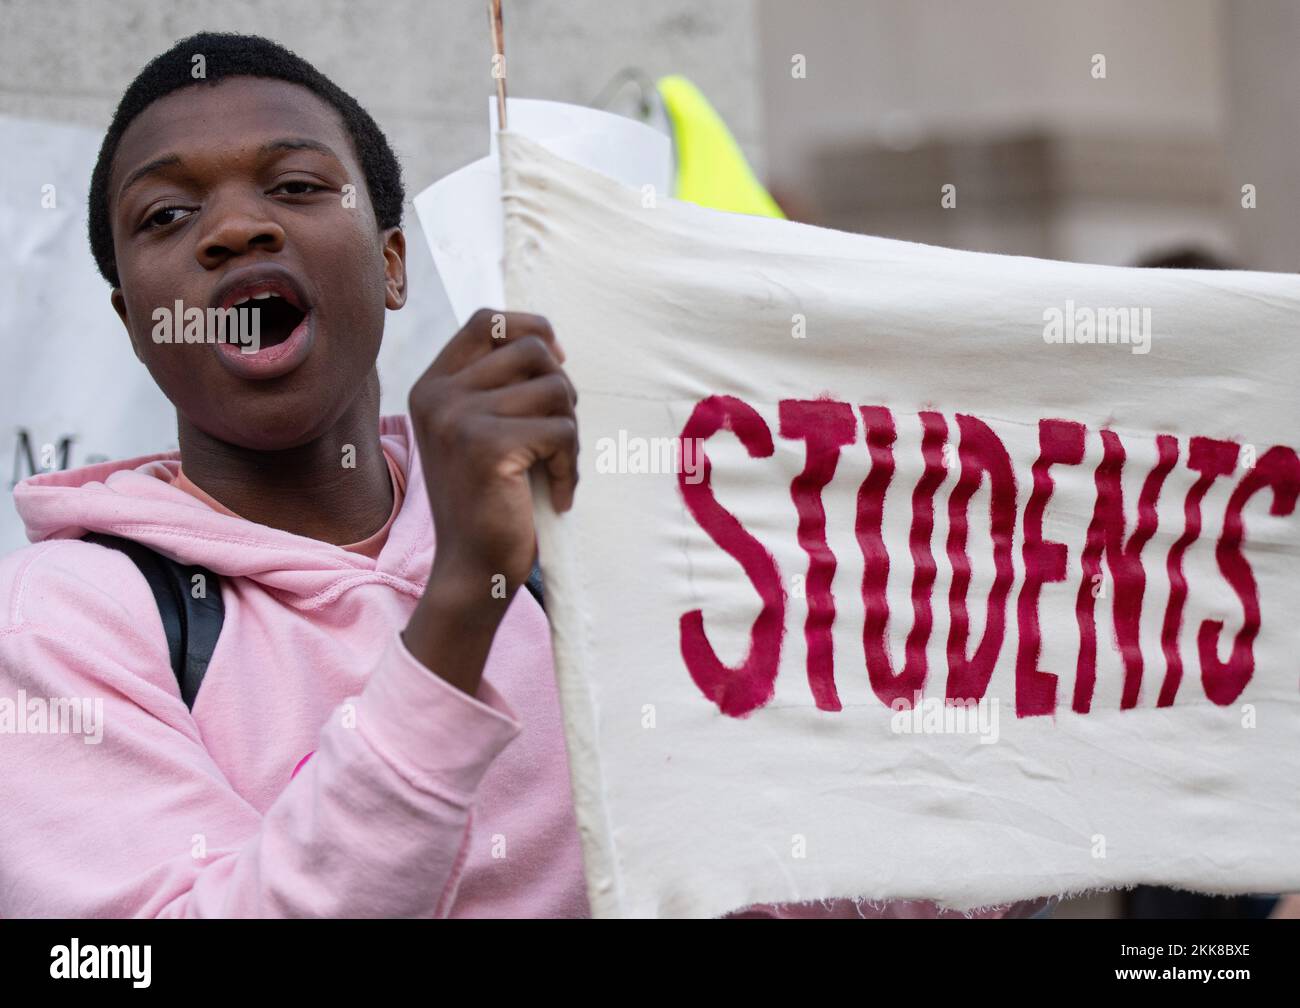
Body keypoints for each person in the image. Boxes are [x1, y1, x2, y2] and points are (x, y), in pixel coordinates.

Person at [0, 31, 1040, 918]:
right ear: (132, 319)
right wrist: (463, 596)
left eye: (298, 186)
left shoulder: (588, 544)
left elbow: (783, 880)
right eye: (168, 217)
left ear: (395, 262)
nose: (236, 229)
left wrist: (1014, 797)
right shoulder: (65, 626)